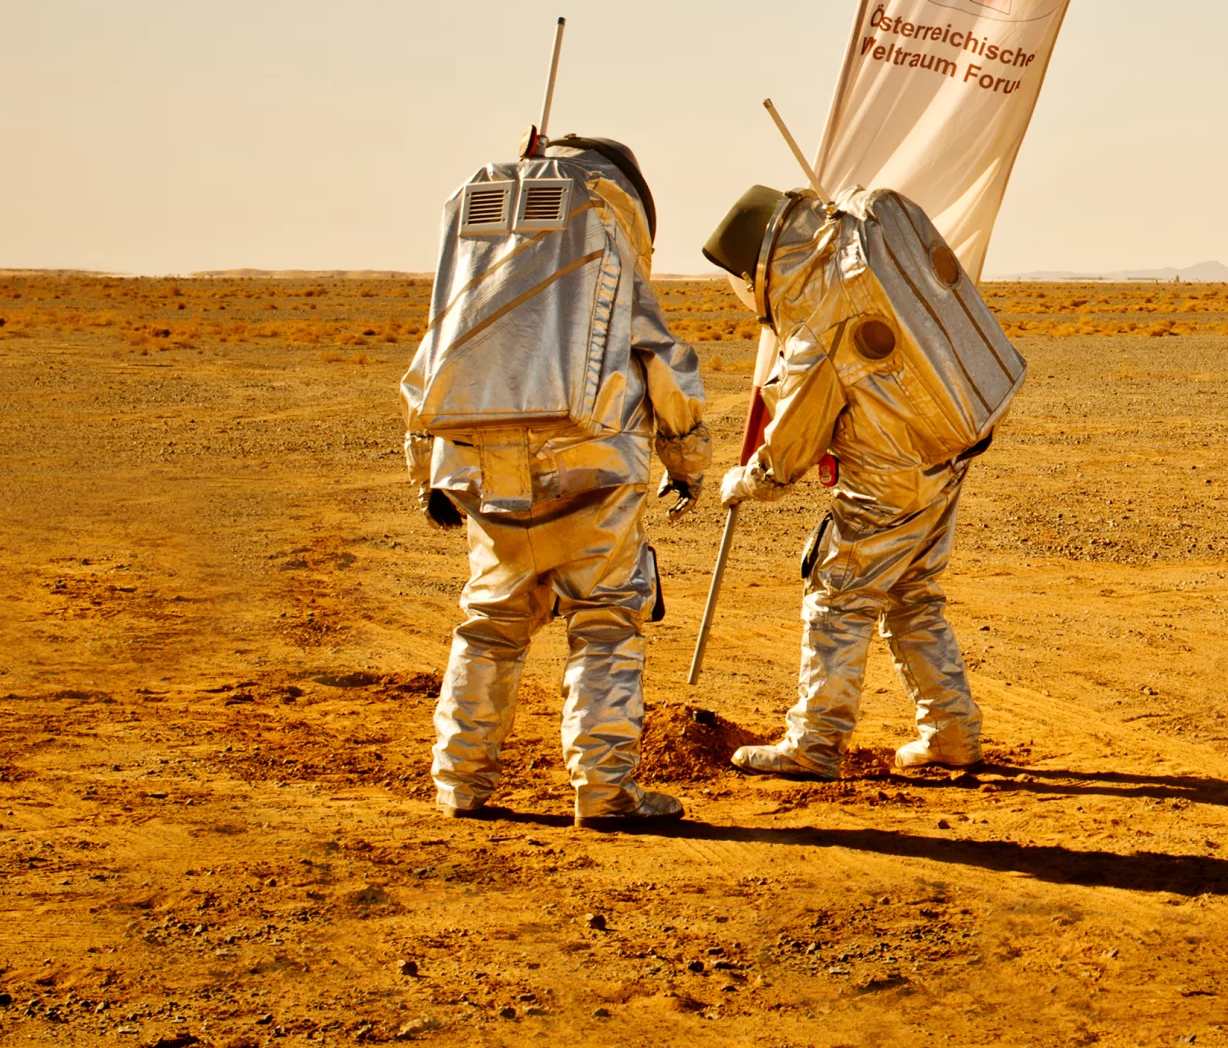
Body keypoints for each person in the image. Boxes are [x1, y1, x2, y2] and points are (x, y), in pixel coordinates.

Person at [402, 135, 711, 828]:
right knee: (604, 626)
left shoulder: (476, 264)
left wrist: (429, 472)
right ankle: (604, 793)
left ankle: (460, 783)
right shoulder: (605, 254)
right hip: (593, 471)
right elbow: (664, 365)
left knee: (489, 624)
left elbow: (429, 367)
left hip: (486, 469)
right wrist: (688, 467)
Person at [699, 184, 1018, 780]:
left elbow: (789, 451)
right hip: (945, 456)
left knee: (836, 596)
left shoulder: (817, 319)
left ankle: (814, 743)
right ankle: (951, 735)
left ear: (758, 268)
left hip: (887, 479)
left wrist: (745, 481)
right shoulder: (852, 245)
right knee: (913, 596)